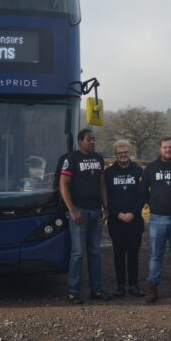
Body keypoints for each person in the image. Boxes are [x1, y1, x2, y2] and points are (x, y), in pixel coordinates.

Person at [59, 129, 109, 304]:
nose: (92, 142)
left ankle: (96, 290)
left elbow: (102, 185)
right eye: (89, 140)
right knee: (78, 253)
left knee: (94, 252)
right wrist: (72, 210)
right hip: (79, 212)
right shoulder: (71, 159)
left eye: (94, 139)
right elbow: (63, 185)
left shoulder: (99, 159)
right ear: (80, 141)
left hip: (96, 212)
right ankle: (74, 291)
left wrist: (106, 208)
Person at [141, 137, 171, 303]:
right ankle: (153, 286)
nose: (168, 150)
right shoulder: (151, 168)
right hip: (157, 219)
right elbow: (142, 190)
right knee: (156, 255)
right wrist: (153, 203)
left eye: (170, 147)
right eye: (165, 147)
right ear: (160, 149)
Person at [104, 140, 145, 298]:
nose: (123, 155)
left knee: (133, 254)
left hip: (134, 220)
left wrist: (133, 213)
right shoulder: (109, 173)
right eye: (120, 153)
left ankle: (134, 286)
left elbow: (142, 196)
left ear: (130, 153)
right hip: (116, 221)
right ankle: (120, 286)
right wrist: (118, 214)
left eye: (125, 152)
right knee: (118, 254)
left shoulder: (138, 171)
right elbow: (107, 196)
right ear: (115, 155)